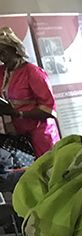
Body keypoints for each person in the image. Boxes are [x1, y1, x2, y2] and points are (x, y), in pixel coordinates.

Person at [0, 27, 60, 158]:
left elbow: (49, 110)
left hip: (40, 135)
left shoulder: (33, 73)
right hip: (17, 137)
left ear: (16, 50)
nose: (1, 58)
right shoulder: (3, 72)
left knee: (47, 172)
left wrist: (18, 113)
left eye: (3, 52)